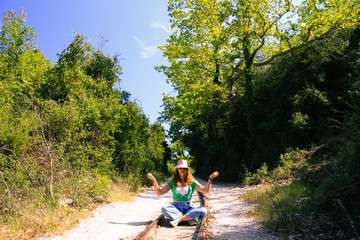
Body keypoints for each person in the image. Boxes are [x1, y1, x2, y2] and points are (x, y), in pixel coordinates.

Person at [147, 159, 219, 227]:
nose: (182, 170)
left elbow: (206, 190)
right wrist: (153, 179)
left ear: (187, 170)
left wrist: (211, 178)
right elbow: (159, 192)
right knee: (164, 209)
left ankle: (179, 219)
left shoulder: (192, 182)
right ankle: (188, 218)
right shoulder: (172, 182)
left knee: (203, 210)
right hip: (176, 207)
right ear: (177, 169)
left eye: (184, 168)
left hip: (189, 208)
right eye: (180, 168)